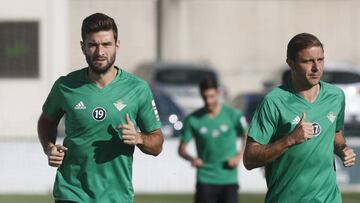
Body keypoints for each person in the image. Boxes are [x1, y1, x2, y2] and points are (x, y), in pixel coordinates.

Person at [37, 13, 163, 203]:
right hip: (71, 193)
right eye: (93, 45)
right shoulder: (65, 86)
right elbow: (46, 121)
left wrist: (138, 137)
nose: (100, 51)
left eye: (106, 44)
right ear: (83, 47)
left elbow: (157, 144)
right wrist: (49, 148)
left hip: (116, 196)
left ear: (117, 45)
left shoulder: (138, 88)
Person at [243, 33, 356, 202]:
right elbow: (249, 159)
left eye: (320, 59)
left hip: (328, 198)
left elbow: (335, 133)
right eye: (308, 61)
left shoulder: (336, 96)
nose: (316, 68)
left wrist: (343, 149)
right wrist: (290, 140)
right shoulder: (274, 101)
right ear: (291, 63)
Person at [178, 77, 248, 203]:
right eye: (205, 97)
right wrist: (192, 159)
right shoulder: (193, 119)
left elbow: (248, 135)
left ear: (218, 93)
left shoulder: (233, 115)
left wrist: (239, 157)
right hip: (205, 179)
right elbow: (181, 149)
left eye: (211, 96)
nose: (208, 101)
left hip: (228, 178)